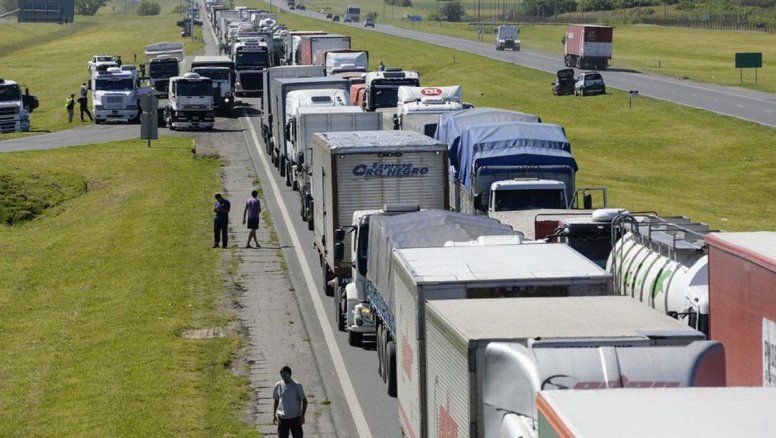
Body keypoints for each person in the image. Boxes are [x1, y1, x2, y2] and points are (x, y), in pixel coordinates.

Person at [273, 366, 307, 438]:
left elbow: (304, 401)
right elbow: (276, 400)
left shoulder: (297, 386)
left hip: (295, 418)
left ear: (289, 375)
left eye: (285, 376)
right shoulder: (278, 385)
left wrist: (302, 416)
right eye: (282, 376)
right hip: (283, 419)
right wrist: (274, 414)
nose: (284, 378)